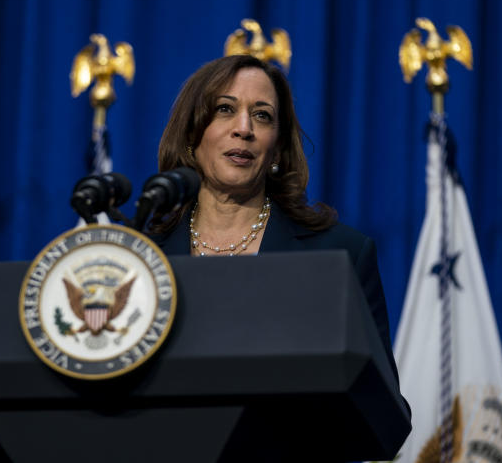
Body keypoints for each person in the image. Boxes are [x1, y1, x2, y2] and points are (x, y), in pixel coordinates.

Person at [150, 54, 404, 392]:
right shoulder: (143, 258)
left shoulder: (340, 255)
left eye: (262, 116)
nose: (244, 129)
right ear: (190, 135)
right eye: (225, 109)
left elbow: (384, 407)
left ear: (277, 148)